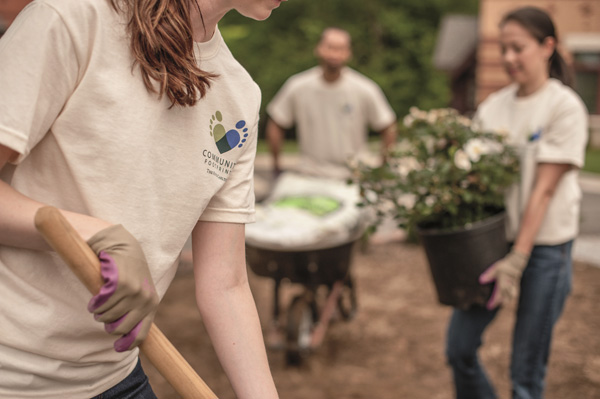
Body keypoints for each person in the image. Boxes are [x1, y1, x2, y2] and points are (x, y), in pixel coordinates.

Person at [0, 0, 286, 398]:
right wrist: (95, 234)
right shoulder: (72, 18)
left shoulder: (240, 95)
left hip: (112, 378)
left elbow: (227, 283)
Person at [445, 7, 588, 399]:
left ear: (547, 47)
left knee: (525, 373)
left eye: (517, 48)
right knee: (459, 349)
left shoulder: (563, 107)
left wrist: (518, 259)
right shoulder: (494, 107)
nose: (508, 58)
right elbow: (473, 179)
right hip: (493, 245)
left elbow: (543, 190)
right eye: (502, 48)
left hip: (545, 251)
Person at [266, 27, 397, 180]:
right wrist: (276, 166)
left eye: (340, 48)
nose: (334, 54)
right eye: (330, 47)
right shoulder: (297, 86)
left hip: (354, 176)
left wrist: (383, 168)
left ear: (349, 53)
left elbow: (388, 126)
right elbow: (276, 122)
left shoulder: (365, 89)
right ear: (318, 49)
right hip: (309, 175)